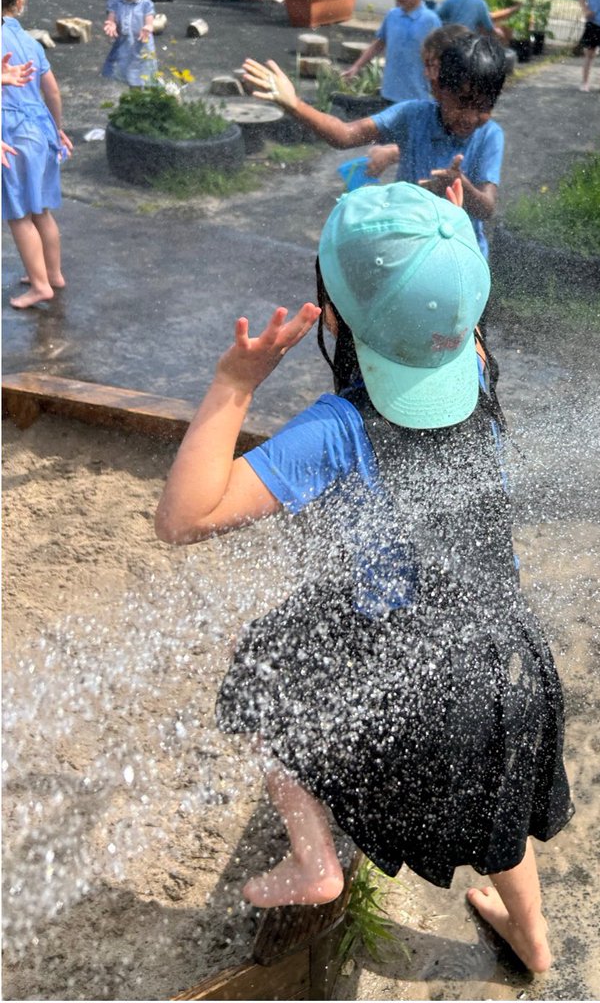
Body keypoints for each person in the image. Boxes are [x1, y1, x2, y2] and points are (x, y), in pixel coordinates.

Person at [154, 182, 573, 974]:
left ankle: (315, 862)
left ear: (337, 317)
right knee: (497, 811)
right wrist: (443, 237)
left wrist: (235, 382)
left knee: (266, 670)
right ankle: (535, 938)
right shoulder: (478, 370)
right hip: (508, 661)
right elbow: (447, 309)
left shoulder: (339, 429)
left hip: (417, 676)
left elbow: (183, 517)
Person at [244, 31, 506, 259]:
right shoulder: (412, 116)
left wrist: (460, 186)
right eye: (462, 103)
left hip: (461, 259)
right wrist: (295, 105)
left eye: (483, 107)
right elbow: (345, 135)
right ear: (438, 89)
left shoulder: (489, 136)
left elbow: (487, 208)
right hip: (406, 250)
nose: (471, 117)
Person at [2, 0, 73, 309]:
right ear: (19, 2)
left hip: (12, 134)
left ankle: (40, 285)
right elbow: (53, 92)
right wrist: (58, 131)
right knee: (41, 210)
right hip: (41, 128)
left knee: (18, 215)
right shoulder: (29, 41)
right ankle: (52, 274)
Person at [363, 23, 470, 182]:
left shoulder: (469, 120)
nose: (426, 74)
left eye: (432, 66)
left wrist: (392, 152)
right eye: (425, 65)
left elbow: (444, 151)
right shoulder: (427, 109)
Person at [341, 0, 440, 104]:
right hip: (389, 95)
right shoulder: (392, 16)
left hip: (417, 99)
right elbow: (379, 43)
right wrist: (357, 67)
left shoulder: (430, 21)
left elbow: (440, 60)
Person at [102, 0, 157, 87]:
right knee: (128, 74)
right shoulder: (115, 1)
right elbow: (111, 18)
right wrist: (111, 24)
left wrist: (148, 27)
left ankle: (141, 98)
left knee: (142, 75)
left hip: (141, 45)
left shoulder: (145, 4)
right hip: (124, 44)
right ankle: (134, 97)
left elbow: (150, 21)